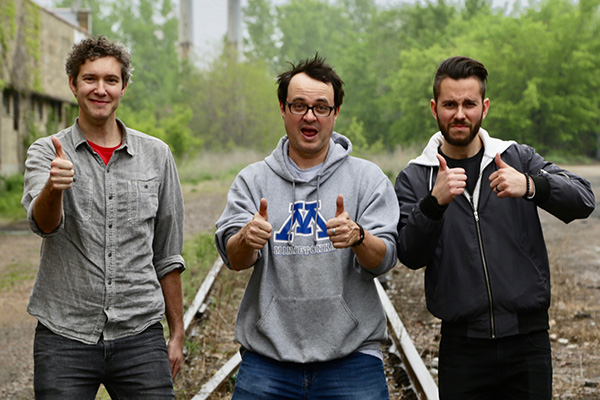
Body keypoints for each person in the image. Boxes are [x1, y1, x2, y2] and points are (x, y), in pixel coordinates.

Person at [394, 55, 596, 399]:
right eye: (450, 104)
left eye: (469, 103)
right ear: (434, 108)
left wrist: (532, 186)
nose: (460, 114)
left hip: (528, 344)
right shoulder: (416, 176)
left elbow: (583, 199)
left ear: (484, 107)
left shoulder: (516, 157)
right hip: (462, 349)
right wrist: (434, 202)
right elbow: (410, 255)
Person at [215, 54, 399, 400]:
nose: (309, 116)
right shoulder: (252, 180)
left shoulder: (367, 179)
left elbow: (385, 259)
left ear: (336, 113)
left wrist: (359, 237)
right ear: (283, 109)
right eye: (298, 105)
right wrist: (246, 238)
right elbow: (235, 258)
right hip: (268, 360)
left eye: (320, 107)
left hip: (353, 358)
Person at [21, 36, 185, 399]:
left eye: (111, 80)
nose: (100, 89)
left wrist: (176, 332)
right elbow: (43, 223)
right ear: (73, 85)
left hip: (140, 334)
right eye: (90, 79)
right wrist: (54, 187)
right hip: (64, 334)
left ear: (123, 87)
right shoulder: (46, 152)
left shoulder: (157, 156)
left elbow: (168, 252)